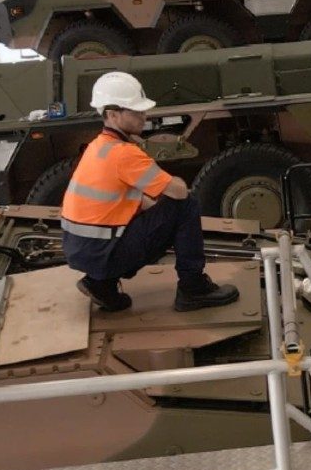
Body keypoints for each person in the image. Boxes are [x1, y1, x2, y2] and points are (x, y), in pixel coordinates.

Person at [62, 72, 240, 313]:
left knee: (156, 208)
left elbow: (128, 202)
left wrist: (158, 214)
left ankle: (100, 283)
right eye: (135, 111)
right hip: (104, 254)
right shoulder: (124, 153)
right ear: (112, 115)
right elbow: (177, 192)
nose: (144, 116)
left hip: (84, 252)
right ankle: (193, 288)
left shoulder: (97, 147)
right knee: (185, 205)